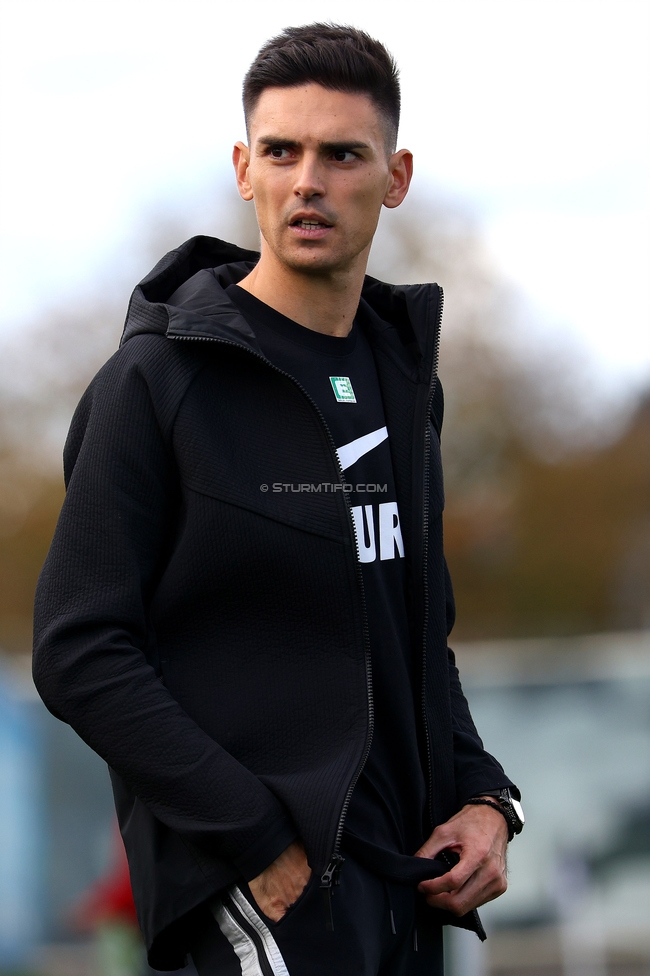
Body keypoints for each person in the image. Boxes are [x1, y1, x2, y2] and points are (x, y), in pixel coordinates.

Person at [33, 23, 524, 976]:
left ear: (396, 176)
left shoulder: (402, 376)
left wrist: (483, 797)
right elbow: (78, 648)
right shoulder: (155, 382)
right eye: (281, 151)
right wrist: (253, 833)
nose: (309, 180)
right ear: (243, 167)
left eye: (343, 154)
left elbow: (418, 634)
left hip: (403, 884)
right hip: (260, 893)